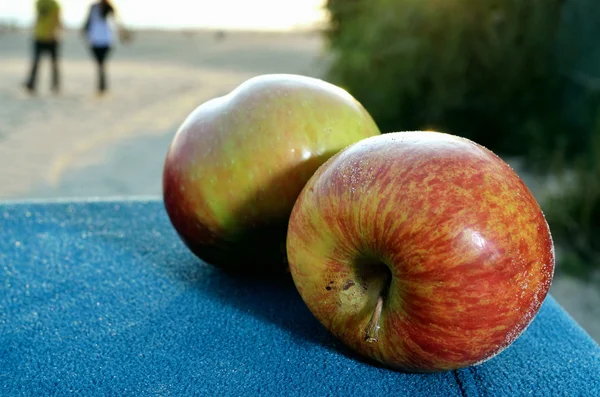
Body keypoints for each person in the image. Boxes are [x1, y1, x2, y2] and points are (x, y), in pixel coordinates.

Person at [82, 0, 129, 95]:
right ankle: (102, 86)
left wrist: (123, 35)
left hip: (106, 40)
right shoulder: (93, 7)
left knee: (101, 63)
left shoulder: (110, 7)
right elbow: (88, 21)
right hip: (94, 39)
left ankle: (102, 86)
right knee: (100, 63)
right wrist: (84, 31)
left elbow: (117, 22)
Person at [24, 0, 62, 94]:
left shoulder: (54, 4)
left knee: (53, 64)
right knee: (37, 62)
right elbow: (38, 17)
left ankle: (55, 85)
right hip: (40, 36)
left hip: (50, 37)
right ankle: (31, 84)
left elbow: (57, 20)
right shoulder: (39, 3)